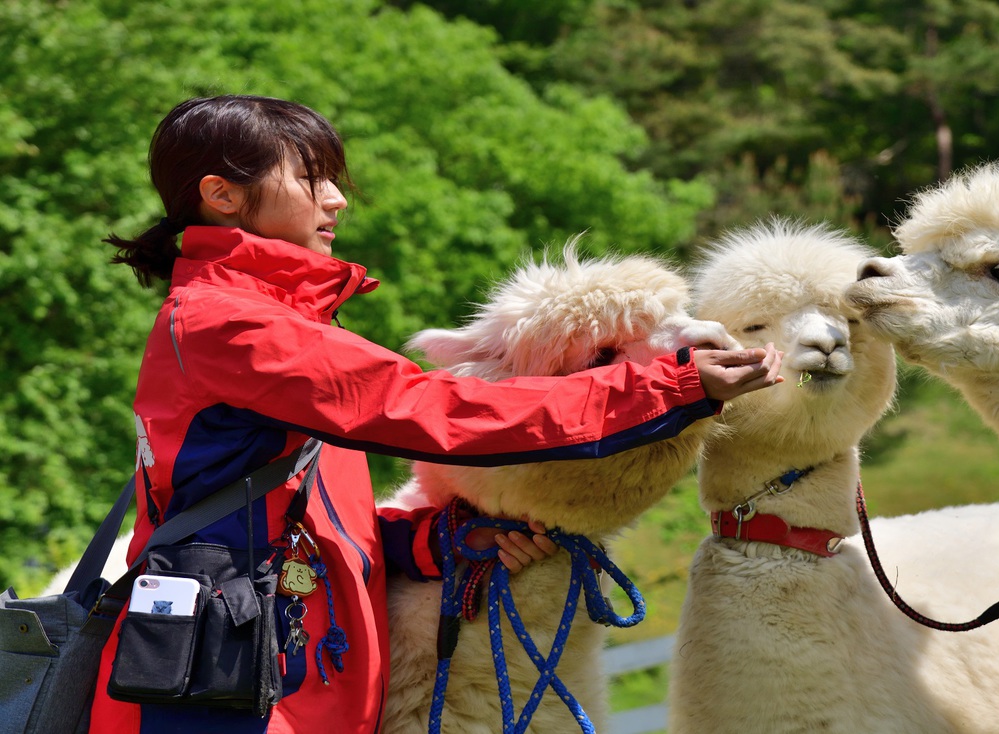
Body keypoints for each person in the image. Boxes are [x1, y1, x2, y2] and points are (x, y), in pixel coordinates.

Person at [91, 94, 782, 733]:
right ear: (221, 194)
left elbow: (292, 519)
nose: (335, 200)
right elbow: (430, 406)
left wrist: (431, 543)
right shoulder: (231, 327)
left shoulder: (267, 321)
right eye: (310, 178)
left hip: (272, 662)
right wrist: (665, 389)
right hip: (227, 683)